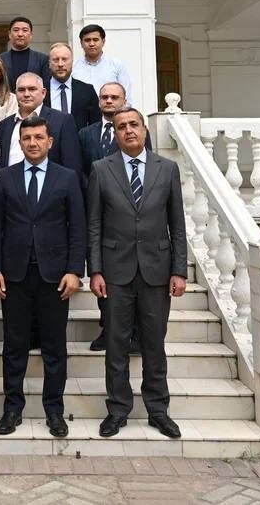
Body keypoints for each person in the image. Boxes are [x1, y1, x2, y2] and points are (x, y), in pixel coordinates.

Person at [87, 107, 188, 440]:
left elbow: (178, 224)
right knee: (116, 344)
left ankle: (158, 410)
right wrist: (95, 270)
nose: (128, 130)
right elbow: (94, 224)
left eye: (133, 125)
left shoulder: (167, 169)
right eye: (121, 127)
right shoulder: (100, 169)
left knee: (154, 344)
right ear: (114, 134)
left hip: (157, 271)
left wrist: (179, 270)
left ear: (145, 130)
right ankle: (117, 410)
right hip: (115, 271)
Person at [0, 116, 86, 438]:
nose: (32, 143)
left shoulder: (67, 177)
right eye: (27, 138)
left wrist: (74, 270)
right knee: (14, 346)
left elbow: (78, 227)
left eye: (38, 137)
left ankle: (54, 411)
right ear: (19, 143)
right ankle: (12, 409)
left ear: (49, 142)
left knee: (54, 347)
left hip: (54, 277)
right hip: (14, 275)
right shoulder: (6, 177)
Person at [78, 82, 140, 354]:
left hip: (127, 213)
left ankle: (135, 332)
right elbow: (79, 169)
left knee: (132, 275)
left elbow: (142, 166)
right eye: (104, 97)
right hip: (95, 211)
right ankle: (108, 327)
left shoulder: (134, 131)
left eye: (115, 97)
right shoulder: (85, 134)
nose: (109, 101)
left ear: (124, 100)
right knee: (102, 271)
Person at [0, 72, 81, 172]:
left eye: (32, 89)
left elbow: (72, 167)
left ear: (43, 93)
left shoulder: (62, 121)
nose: (26, 94)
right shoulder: (4, 125)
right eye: (21, 90)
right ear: (16, 93)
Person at [72, 24, 134, 102]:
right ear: (81, 43)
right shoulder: (73, 67)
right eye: (87, 40)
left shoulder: (116, 65)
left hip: (110, 109)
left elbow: (126, 96)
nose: (91, 44)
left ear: (103, 42)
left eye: (95, 40)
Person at [47, 42, 101, 130]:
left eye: (64, 59)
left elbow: (96, 125)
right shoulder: (40, 90)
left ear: (72, 62)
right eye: (56, 60)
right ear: (49, 63)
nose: (60, 64)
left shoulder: (87, 91)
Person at [0, 16, 51, 91]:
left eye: (25, 30)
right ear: (9, 34)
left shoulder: (43, 60)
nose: (20, 34)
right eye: (16, 30)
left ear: (31, 35)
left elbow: (46, 87)